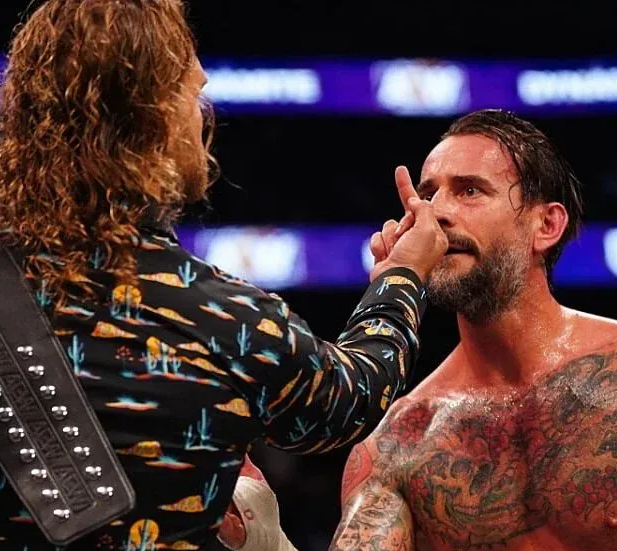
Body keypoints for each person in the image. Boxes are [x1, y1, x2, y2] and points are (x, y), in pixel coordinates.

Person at [0, 1, 448, 550]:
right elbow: (353, 397)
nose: (203, 112)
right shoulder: (228, 321)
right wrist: (402, 275)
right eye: (192, 92)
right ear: (156, 119)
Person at [218, 109, 617, 551]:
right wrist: (266, 541)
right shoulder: (400, 444)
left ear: (547, 225)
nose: (438, 212)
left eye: (469, 190)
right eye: (428, 195)